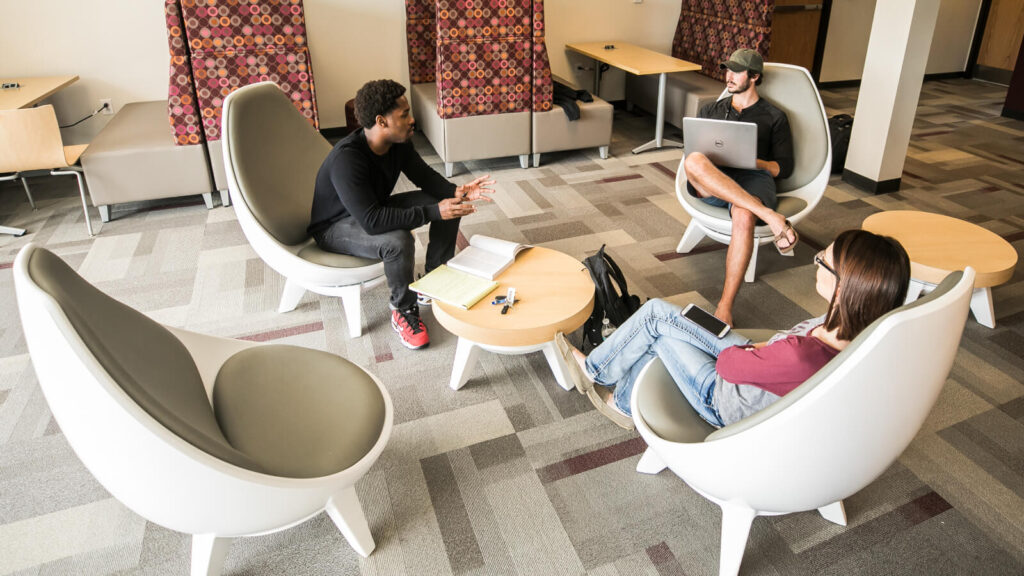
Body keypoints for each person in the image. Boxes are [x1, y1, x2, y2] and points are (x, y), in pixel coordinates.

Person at [556, 230, 911, 430]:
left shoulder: (802, 357)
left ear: (840, 289)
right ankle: (622, 403)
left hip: (724, 397)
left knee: (657, 324)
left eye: (822, 261)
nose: (815, 262)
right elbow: (774, 357)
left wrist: (728, 346)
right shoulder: (860, 330)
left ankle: (594, 371)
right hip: (764, 363)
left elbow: (728, 366)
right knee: (664, 317)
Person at [308, 79, 495, 350]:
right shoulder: (347, 160)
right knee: (397, 241)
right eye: (404, 114)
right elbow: (372, 222)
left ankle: (436, 280)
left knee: (448, 203)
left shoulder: (398, 142)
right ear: (381, 121)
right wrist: (433, 212)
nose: (411, 119)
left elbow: (423, 176)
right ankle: (403, 309)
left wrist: (457, 191)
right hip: (335, 227)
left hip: (370, 210)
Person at [684, 48, 797, 327]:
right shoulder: (711, 109)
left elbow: (784, 168)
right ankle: (772, 217)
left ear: (755, 76)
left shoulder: (774, 116)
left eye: (737, 71)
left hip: (753, 179)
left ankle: (724, 307)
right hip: (714, 180)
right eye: (728, 69)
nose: (729, 76)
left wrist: (750, 159)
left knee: (744, 215)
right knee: (695, 159)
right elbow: (694, 154)